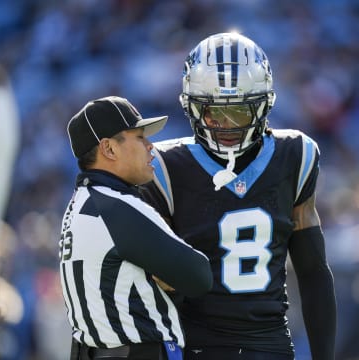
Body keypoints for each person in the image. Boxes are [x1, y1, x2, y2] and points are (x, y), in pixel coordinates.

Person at [139, 33, 337, 359]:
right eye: (214, 114)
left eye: (240, 114)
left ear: (264, 105)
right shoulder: (161, 167)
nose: (226, 127)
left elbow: (313, 270)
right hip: (194, 347)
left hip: (270, 344)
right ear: (192, 108)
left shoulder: (295, 156)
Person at [59, 96, 213, 360]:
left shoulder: (80, 204)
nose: (151, 146)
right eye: (140, 137)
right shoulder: (116, 205)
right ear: (109, 149)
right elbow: (199, 276)